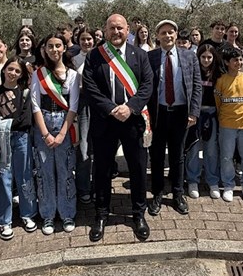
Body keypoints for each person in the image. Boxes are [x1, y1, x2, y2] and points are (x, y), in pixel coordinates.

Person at [83, 14, 153, 242]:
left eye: (120, 28)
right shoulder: (94, 56)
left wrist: (130, 107)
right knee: (102, 170)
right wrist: (113, 109)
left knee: (138, 169)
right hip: (105, 121)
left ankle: (138, 213)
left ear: (127, 30)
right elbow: (91, 88)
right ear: (105, 30)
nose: (116, 32)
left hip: (132, 120)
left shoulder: (140, 55)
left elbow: (147, 85)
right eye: (112, 28)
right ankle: (101, 215)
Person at [146, 20, 202, 216]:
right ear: (158, 36)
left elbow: (197, 85)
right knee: (157, 156)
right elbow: (145, 87)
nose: (167, 36)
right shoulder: (150, 57)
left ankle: (178, 194)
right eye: (163, 33)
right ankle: (158, 194)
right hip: (158, 113)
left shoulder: (189, 56)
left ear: (176, 35)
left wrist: (194, 112)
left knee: (178, 156)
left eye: (171, 32)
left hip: (181, 114)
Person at [0, 57, 38, 238]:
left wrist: (1, 123)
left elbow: (25, 120)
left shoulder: (25, 93)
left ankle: (27, 213)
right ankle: (4, 220)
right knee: (3, 179)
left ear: (21, 74)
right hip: (0, 141)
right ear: (4, 70)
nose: (13, 73)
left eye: (17, 71)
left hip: (21, 139)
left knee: (25, 176)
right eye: (10, 69)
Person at [31, 33, 79, 235]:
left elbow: (73, 107)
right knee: (45, 172)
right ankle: (48, 215)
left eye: (58, 45)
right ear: (44, 49)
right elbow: (35, 105)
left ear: (64, 48)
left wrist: (60, 135)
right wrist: (45, 134)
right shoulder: (38, 74)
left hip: (64, 125)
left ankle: (67, 212)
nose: (54, 50)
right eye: (50, 46)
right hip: (43, 124)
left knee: (65, 170)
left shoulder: (73, 75)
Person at [214, 47, 243, 203]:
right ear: (227, 62)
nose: (238, 63)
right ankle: (228, 185)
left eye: (240, 60)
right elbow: (218, 103)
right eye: (235, 60)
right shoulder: (221, 81)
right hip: (226, 125)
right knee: (226, 157)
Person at [186, 45, 223, 198]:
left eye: (209, 57)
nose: (206, 60)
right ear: (198, 57)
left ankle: (212, 180)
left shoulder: (219, 73)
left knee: (211, 149)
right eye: (203, 57)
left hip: (212, 114)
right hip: (195, 113)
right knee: (193, 148)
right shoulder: (193, 71)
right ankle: (192, 180)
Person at [72, 28, 96, 204]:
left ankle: (99, 185)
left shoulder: (102, 57)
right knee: (84, 148)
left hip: (100, 105)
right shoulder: (73, 59)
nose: (86, 42)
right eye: (83, 39)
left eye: (89, 39)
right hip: (82, 106)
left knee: (101, 148)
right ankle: (83, 187)